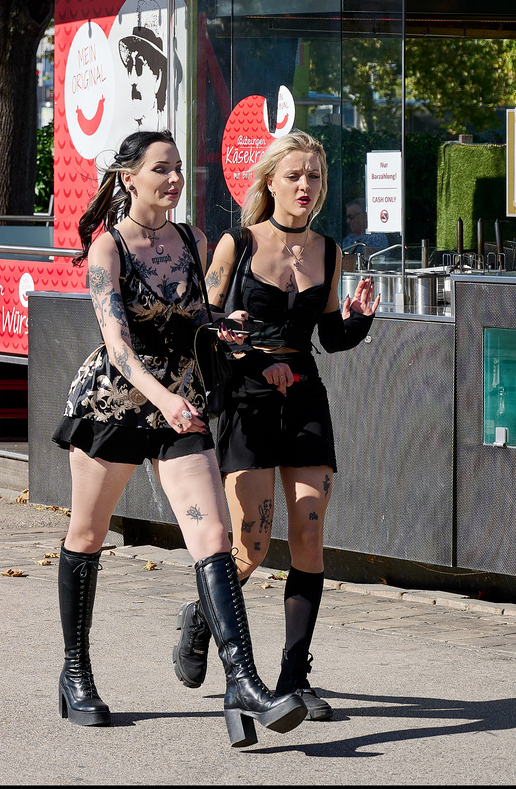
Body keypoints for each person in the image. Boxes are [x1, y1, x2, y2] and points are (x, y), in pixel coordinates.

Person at [52, 129, 306, 746]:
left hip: (181, 407)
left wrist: (225, 328)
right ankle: (76, 670)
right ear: (129, 176)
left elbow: (199, 317)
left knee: (214, 536)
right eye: (161, 169)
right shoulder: (108, 249)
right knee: (86, 536)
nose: (174, 179)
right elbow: (117, 345)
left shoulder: (192, 239)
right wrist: (161, 399)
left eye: (179, 168)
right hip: (115, 405)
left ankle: (242, 681)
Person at [171, 130, 378, 721]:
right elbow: (204, 322)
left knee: (310, 531)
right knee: (251, 547)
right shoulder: (237, 244)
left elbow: (330, 338)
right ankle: (199, 614)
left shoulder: (329, 250)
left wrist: (359, 319)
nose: (305, 186)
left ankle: (295, 674)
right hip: (246, 400)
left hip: (304, 399)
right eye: (294, 176)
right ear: (269, 181)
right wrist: (243, 347)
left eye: (313, 176)